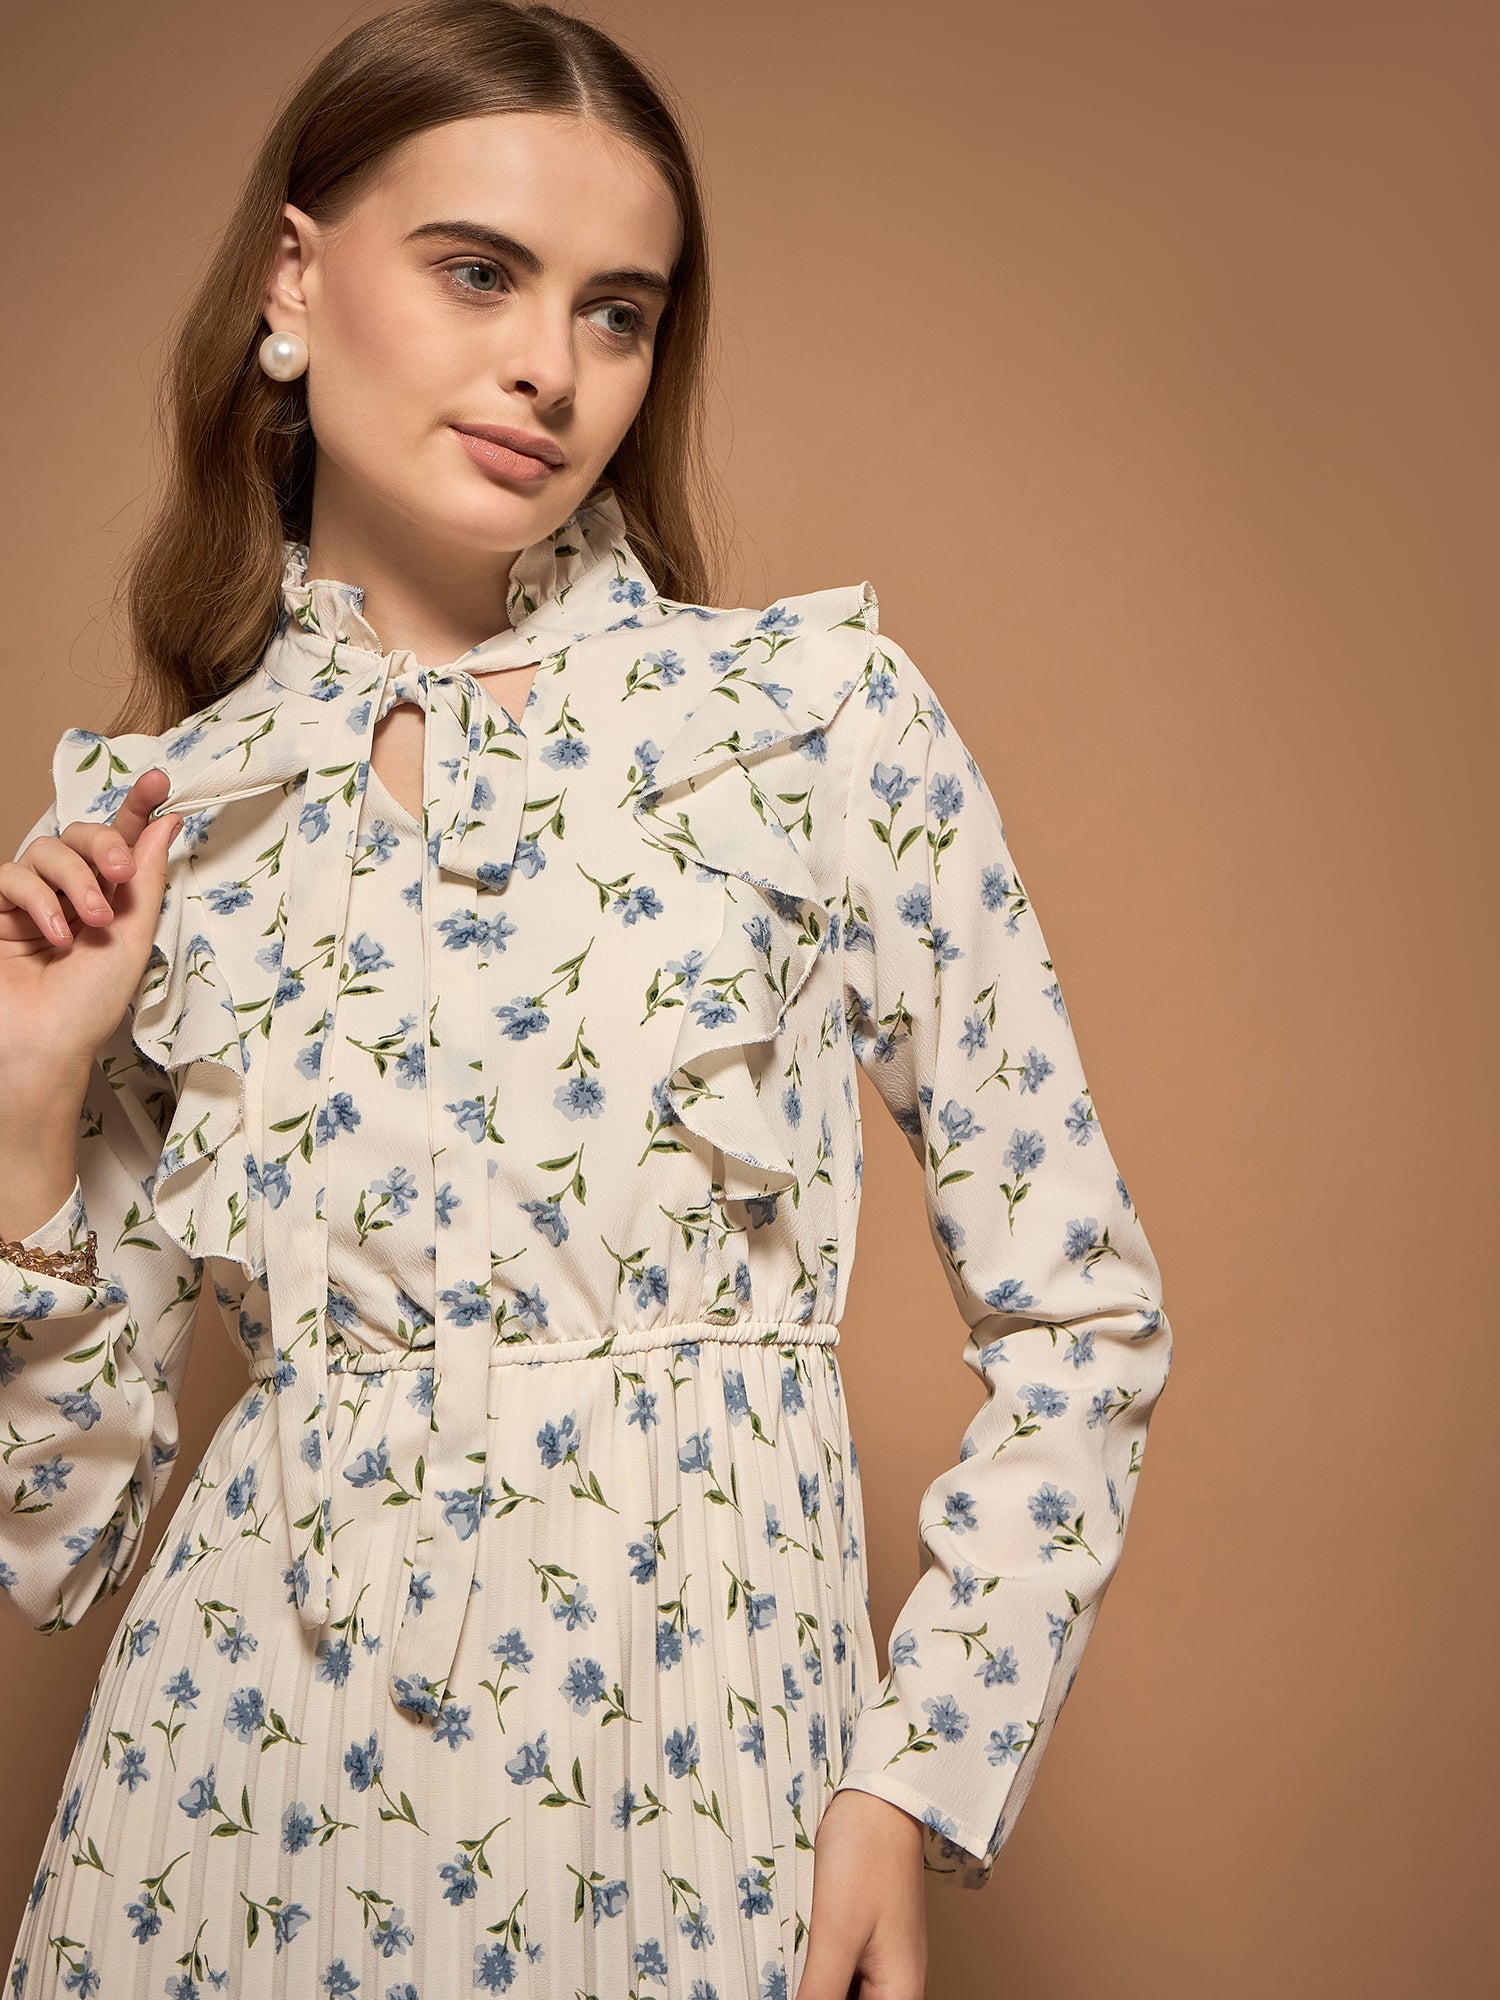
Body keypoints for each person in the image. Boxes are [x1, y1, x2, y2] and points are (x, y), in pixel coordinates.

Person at [0, 3, 1174, 1995]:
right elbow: (56, 1551)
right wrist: (31, 1098)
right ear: (292, 282)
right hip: (233, 1847)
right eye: (479, 272)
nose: (551, 364)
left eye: (616, 312)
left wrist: (907, 1783)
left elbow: (1085, 1316)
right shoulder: (160, 826)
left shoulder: (810, 725)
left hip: (696, 1819)